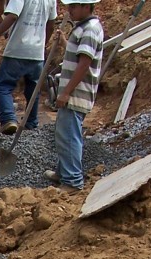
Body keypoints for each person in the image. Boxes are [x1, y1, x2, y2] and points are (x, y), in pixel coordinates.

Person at [46, 0, 103, 190]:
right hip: (73, 93)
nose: (69, 11)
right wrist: (64, 41)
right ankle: (64, 172)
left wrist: (66, 92)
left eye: (73, 7)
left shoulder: (90, 30)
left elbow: (84, 64)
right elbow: (77, 54)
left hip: (76, 94)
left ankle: (72, 181)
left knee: (69, 136)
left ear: (87, 7)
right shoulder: (83, 28)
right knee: (64, 133)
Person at [0, 0, 57, 135]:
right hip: (37, 53)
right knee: (33, 90)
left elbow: (12, 16)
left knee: (4, 85)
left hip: (17, 50)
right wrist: (41, 44)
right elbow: (50, 25)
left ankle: (8, 119)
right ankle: (31, 122)